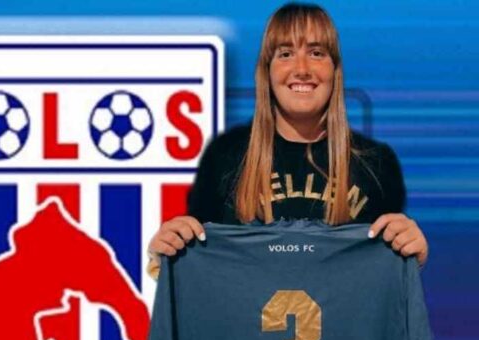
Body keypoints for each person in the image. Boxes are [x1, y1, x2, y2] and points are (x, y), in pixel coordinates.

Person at [147, 2, 428, 278]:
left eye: (316, 53)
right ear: (267, 72)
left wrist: (411, 253)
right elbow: (197, 267)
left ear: (335, 70)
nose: (302, 68)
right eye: (285, 54)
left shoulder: (376, 163)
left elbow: (387, 281)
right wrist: (166, 253)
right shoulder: (225, 156)